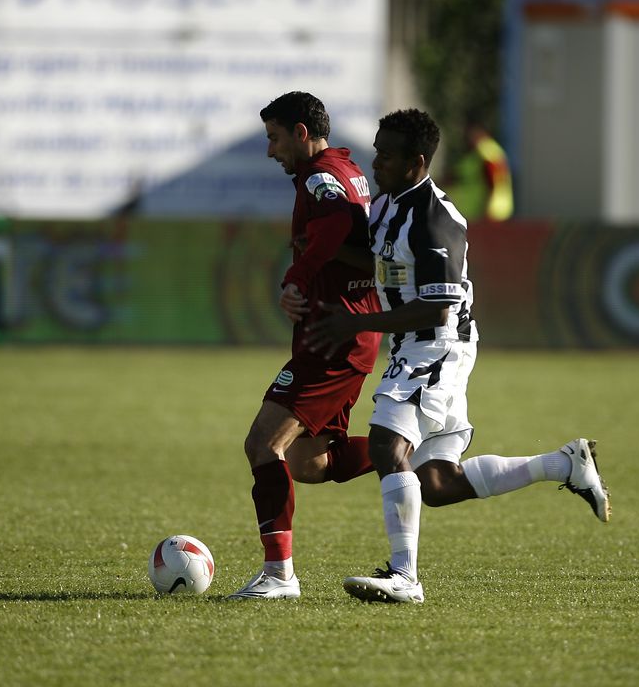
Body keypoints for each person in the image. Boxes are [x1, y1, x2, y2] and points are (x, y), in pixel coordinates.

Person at [305, 108, 609, 605]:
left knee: (386, 443)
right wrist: (320, 251)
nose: (375, 161)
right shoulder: (387, 204)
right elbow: (381, 259)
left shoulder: (435, 219)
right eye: (376, 150)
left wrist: (357, 323)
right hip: (416, 343)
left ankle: (405, 578)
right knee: (437, 482)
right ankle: (564, 465)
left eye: (387, 154)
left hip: (438, 343)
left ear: (416, 161)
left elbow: (439, 308)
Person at [228, 92, 382, 600]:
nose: (271, 151)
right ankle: (410, 454)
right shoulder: (347, 168)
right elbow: (353, 239)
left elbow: (338, 224)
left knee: (262, 445)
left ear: (300, 132)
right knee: (309, 463)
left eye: (274, 139)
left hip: (332, 337)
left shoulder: (319, 176)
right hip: (348, 333)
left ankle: (279, 577)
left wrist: (297, 276)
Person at [442, 115, 514, 222]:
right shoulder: (487, 151)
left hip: (487, 214)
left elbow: (492, 182)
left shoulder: (485, 152)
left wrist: (486, 210)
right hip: (491, 212)